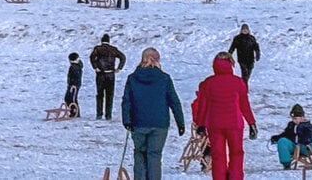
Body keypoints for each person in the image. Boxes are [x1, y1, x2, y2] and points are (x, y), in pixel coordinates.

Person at [192, 52, 258, 180]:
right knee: (236, 153)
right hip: (234, 123)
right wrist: (251, 123)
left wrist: (201, 124)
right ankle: (235, 177)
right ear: (231, 63)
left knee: (218, 156)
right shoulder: (238, 82)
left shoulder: (208, 83)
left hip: (214, 124)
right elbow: (244, 105)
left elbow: (203, 106)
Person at [121, 47, 186, 180]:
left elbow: (126, 101)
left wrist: (126, 120)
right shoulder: (164, 78)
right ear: (157, 60)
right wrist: (180, 123)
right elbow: (174, 101)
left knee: (140, 153)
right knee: (154, 155)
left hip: (138, 122)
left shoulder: (132, 78)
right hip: (159, 123)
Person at [89, 33, 126, 120]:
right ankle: (108, 115)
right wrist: (119, 68)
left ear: (101, 41)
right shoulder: (113, 49)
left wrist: (95, 67)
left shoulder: (98, 49)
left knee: (100, 95)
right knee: (110, 95)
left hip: (101, 74)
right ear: (109, 41)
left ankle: (99, 114)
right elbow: (123, 57)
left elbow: (92, 57)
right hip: (110, 74)